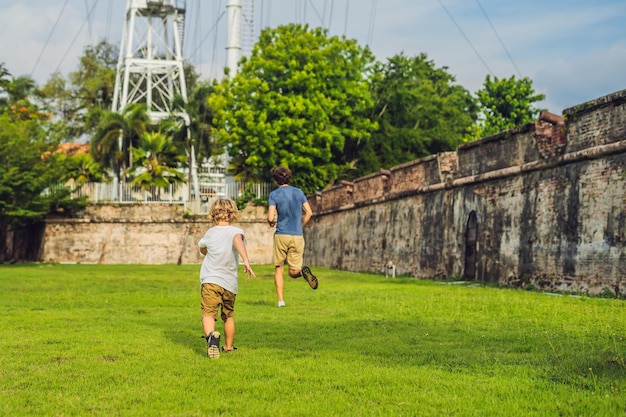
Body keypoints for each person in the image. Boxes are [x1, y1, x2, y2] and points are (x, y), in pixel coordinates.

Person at [198, 198, 256, 358]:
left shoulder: (210, 233)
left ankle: (211, 336)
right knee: (228, 315)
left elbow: (202, 248)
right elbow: (237, 241)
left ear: (213, 215)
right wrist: (246, 260)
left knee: (208, 313)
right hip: (229, 284)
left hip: (210, 280)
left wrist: (208, 251)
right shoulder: (236, 231)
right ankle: (228, 346)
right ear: (233, 214)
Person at [267, 167, 318, 308]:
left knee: (279, 269)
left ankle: (281, 301)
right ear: (289, 178)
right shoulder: (299, 192)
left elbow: (271, 217)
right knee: (293, 271)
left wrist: (271, 222)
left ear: (276, 180)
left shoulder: (274, 194)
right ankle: (302, 272)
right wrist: (300, 225)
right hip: (297, 236)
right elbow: (309, 213)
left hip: (281, 235)